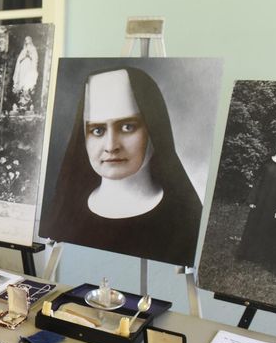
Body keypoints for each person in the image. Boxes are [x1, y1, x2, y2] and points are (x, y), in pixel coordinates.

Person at [43, 67, 202, 266]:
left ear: (154, 129)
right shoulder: (63, 217)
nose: (111, 146)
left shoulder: (186, 223)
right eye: (97, 130)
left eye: (128, 127)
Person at [237, 136, 276, 264]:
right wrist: (252, 199)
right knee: (253, 225)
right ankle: (245, 253)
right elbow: (258, 181)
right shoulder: (267, 162)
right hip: (261, 201)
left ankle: (262, 257)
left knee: (269, 228)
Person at [11, 36, 39, 111]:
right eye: (26, 41)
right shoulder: (23, 50)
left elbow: (35, 60)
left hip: (29, 69)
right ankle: (20, 102)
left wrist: (30, 56)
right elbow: (19, 60)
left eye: (28, 41)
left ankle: (26, 102)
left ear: (31, 41)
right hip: (23, 69)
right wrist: (24, 57)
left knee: (27, 85)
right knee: (21, 83)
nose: (27, 43)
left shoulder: (33, 49)